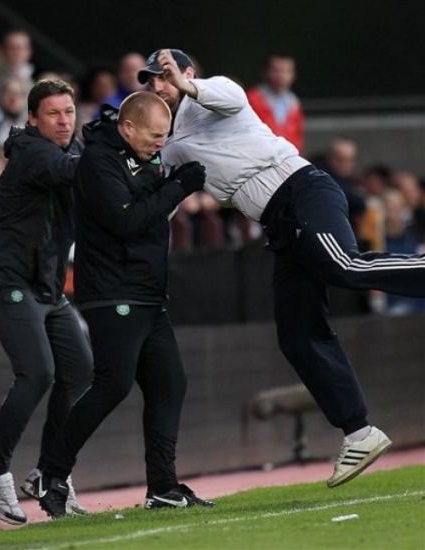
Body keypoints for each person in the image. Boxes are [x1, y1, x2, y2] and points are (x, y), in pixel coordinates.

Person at [139, 48, 425, 489]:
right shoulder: (171, 144)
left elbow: (222, 96)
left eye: (165, 75)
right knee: (296, 333)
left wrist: (184, 84)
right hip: (279, 225)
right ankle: (359, 432)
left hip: (303, 190)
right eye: (153, 79)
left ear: (188, 73)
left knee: (341, 264)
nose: (159, 85)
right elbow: (162, 196)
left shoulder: (213, 94)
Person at [38, 91, 213, 518]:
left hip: (147, 290)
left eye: (164, 136)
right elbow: (127, 220)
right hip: (113, 291)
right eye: (154, 135)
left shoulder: (142, 155)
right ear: (128, 127)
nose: (160, 143)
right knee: (113, 384)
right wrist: (177, 187)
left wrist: (167, 182)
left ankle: (163, 487)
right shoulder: (98, 161)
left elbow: (144, 206)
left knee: (170, 383)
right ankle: (51, 472)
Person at [0, 79, 93, 524]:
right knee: (38, 372)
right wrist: (120, 151)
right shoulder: (33, 153)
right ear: (33, 120)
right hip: (6, 278)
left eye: (69, 113)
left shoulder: (71, 153)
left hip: (46, 285)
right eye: (54, 114)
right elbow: (76, 173)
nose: (63, 121)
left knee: (79, 369)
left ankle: (49, 473)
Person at [246, 54, 304, 152]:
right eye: (276, 70)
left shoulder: (294, 102)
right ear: (265, 72)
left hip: (288, 158)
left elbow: (298, 138)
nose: (281, 76)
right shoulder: (252, 98)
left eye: (287, 71)